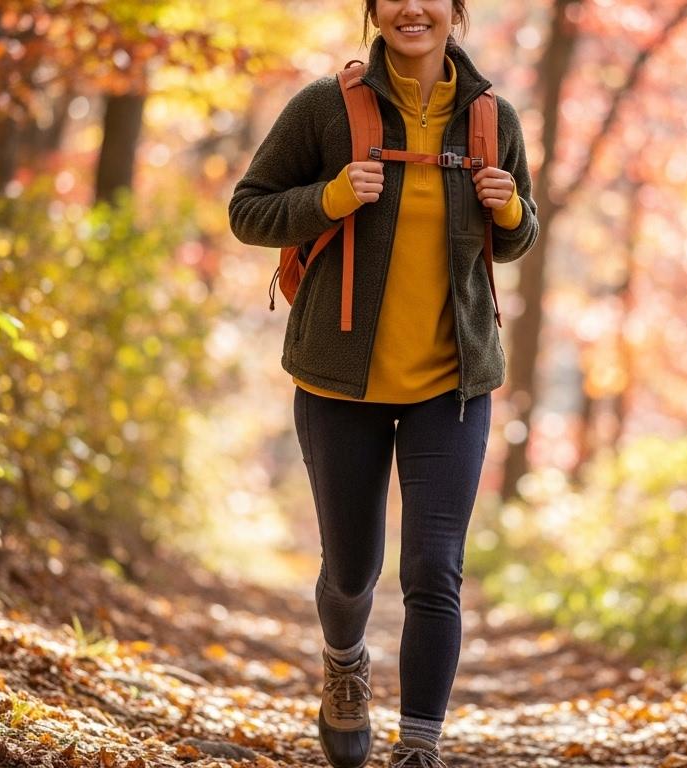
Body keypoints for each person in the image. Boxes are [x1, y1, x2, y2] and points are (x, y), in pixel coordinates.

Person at [228, 1, 538, 765]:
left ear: (454, 11)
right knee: (352, 572)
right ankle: (344, 666)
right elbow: (247, 211)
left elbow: (515, 239)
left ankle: (420, 748)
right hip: (341, 384)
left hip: (451, 384)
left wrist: (514, 210)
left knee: (435, 569)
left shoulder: (492, 117)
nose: (412, 8)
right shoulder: (326, 108)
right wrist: (329, 198)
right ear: (374, 11)